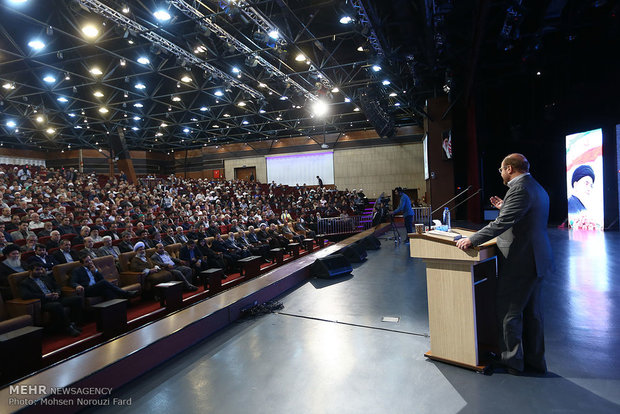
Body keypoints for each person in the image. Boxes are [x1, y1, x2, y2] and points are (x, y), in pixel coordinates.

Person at [456, 153, 553, 375]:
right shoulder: (535, 186)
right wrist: (505, 206)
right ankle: (534, 363)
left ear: (509, 168)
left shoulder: (519, 189)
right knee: (532, 314)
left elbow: (503, 223)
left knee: (509, 312)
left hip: (521, 261)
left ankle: (512, 363)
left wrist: (472, 239)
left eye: (501, 170)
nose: (500, 174)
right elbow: (524, 216)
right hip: (537, 259)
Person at [20, 263, 82, 337]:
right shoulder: (25, 283)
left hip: (55, 298)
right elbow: (26, 296)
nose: (40, 271)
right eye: (37, 270)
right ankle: (68, 327)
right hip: (44, 303)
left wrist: (57, 293)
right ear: (30, 271)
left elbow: (57, 286)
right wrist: (46, 296)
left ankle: (73, 323)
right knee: (57, 305)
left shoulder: (45, 277)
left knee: (77, 299)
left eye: (41, 269)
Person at [70, 252, 138, 300]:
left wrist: (96, 271)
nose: (90, 262)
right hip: (88, 289)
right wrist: (77, 286)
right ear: (82, 264)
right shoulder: (77, 270)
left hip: (96, 287)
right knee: (104, 283)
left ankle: (116, 309)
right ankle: (125, 293)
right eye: (87, 262)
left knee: (108, 291)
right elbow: (73, 282)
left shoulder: (93, 268)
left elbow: (101, 279)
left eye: (90, 260)